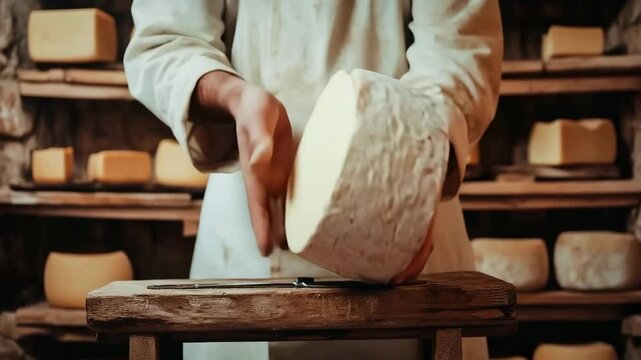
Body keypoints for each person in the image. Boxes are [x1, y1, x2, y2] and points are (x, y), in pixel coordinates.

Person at [125, 1, 503, 359]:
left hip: (406, 210)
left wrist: (421, 156)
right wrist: (232, 95)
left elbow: (461, 46)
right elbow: (167, 39)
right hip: (246, 232)